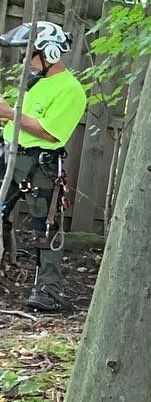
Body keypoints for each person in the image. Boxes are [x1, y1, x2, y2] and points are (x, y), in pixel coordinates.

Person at [0, 21, 87, 312]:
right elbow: (21, 120)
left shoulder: (71, 90)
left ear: (50, 52)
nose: (25, 58)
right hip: (10, 155)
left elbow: (50, 132)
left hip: (39, 166)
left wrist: (10, 112)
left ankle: (49, 290)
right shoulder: (36, 82)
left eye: (30, 53)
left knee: (44, 229)